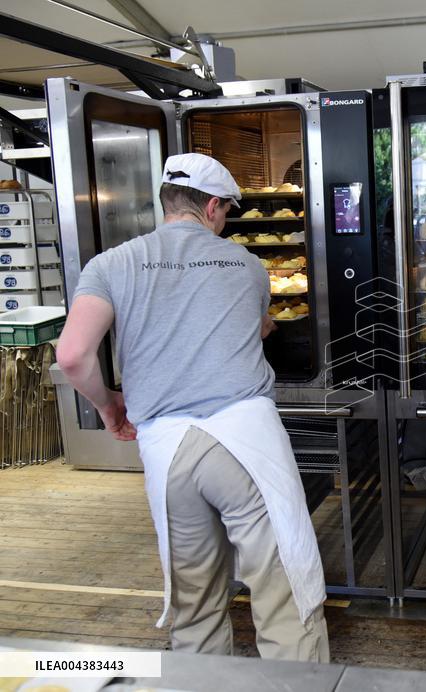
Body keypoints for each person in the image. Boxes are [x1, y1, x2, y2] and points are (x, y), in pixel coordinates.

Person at [55, 153, 330, 661]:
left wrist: (110, 406)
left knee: (194, 598)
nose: (224, 220)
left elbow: (72, 356)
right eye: (225, 211)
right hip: (246, 441)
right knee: (282, 585)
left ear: (166, 201)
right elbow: (256, 327)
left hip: (168, 450)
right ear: (211, 207)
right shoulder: (246, 265)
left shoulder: (110, 264)